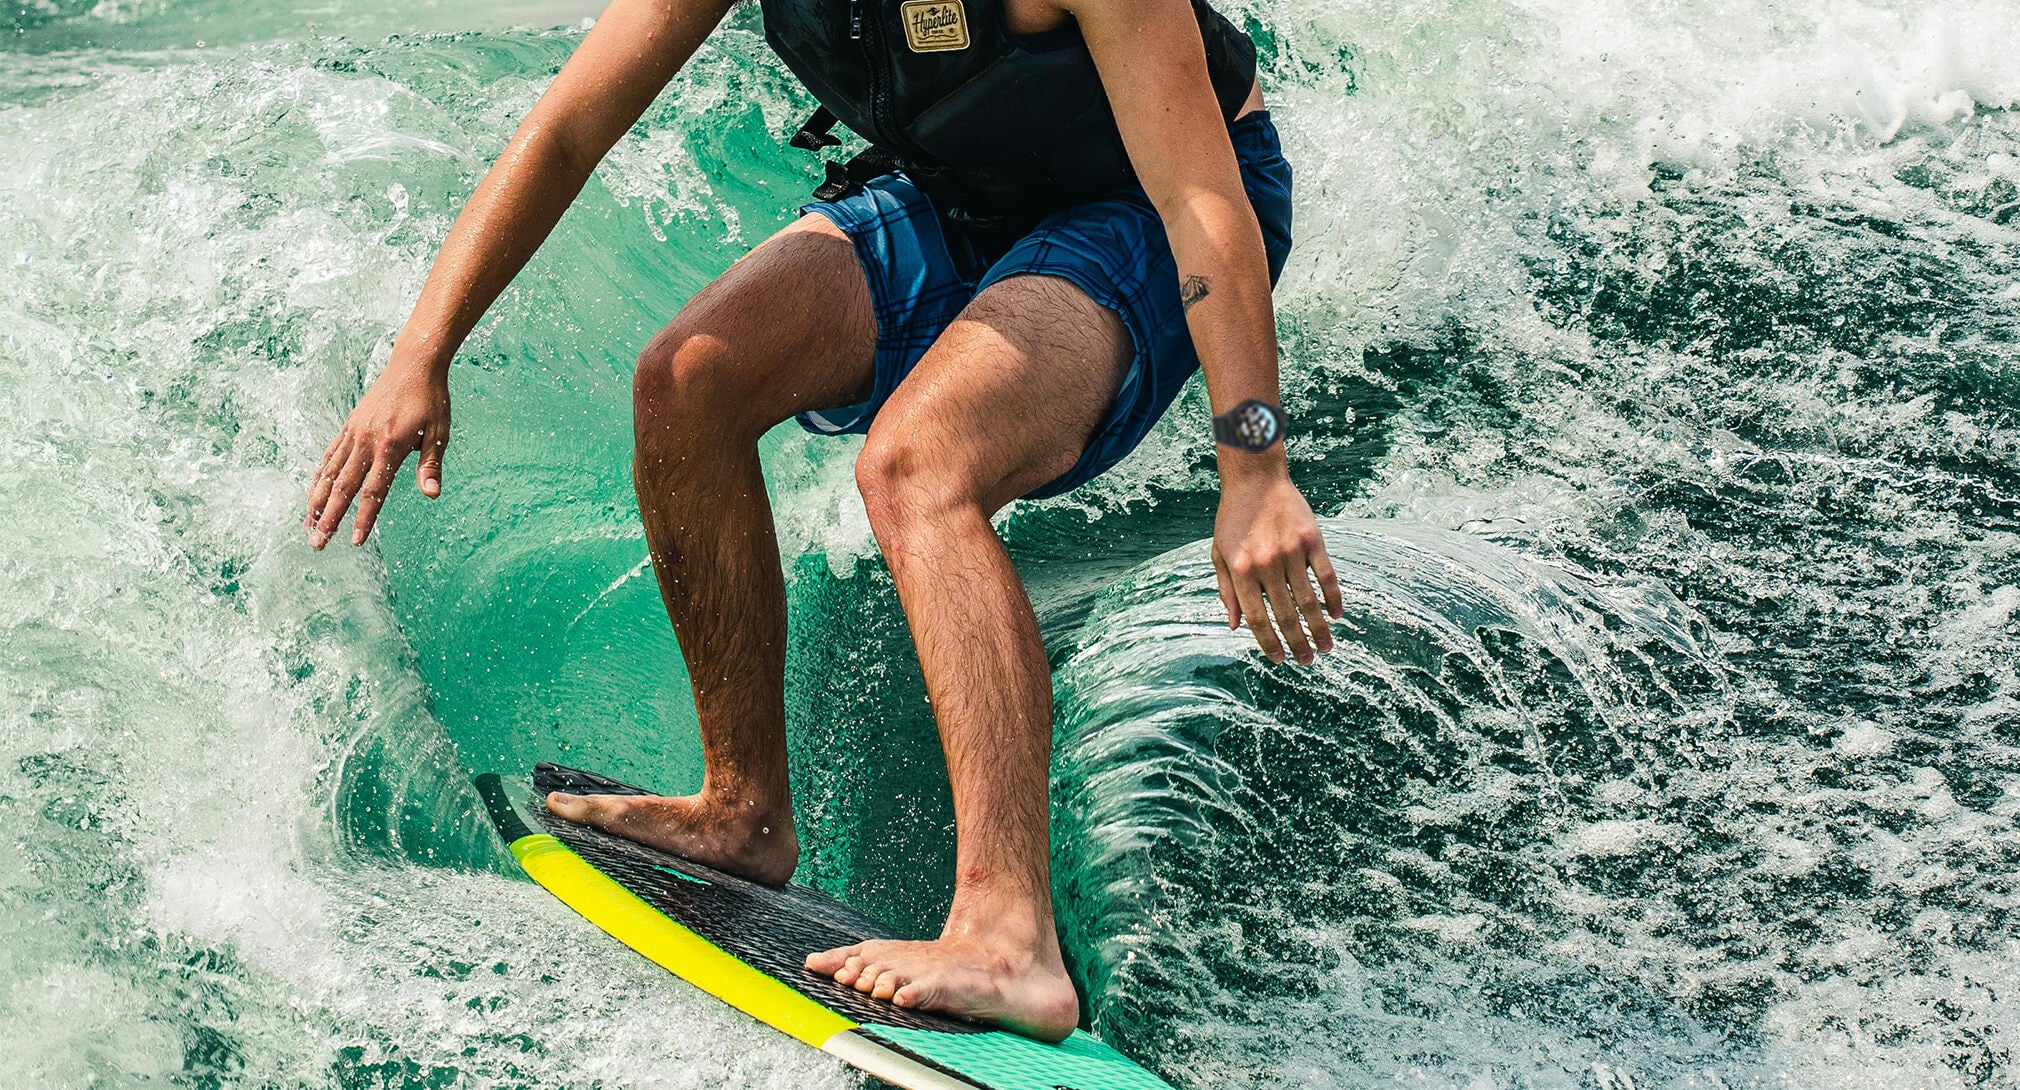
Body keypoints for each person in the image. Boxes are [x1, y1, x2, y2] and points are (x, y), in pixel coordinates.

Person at [304, 0, 1343, 1042]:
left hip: (1146, 206)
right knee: (687, 381)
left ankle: (1008, 934)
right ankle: (740, 811)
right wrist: (421, 353)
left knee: (918, 463)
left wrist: (1254, 467)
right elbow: (567, 128)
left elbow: (1202, 202)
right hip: (960, 186)